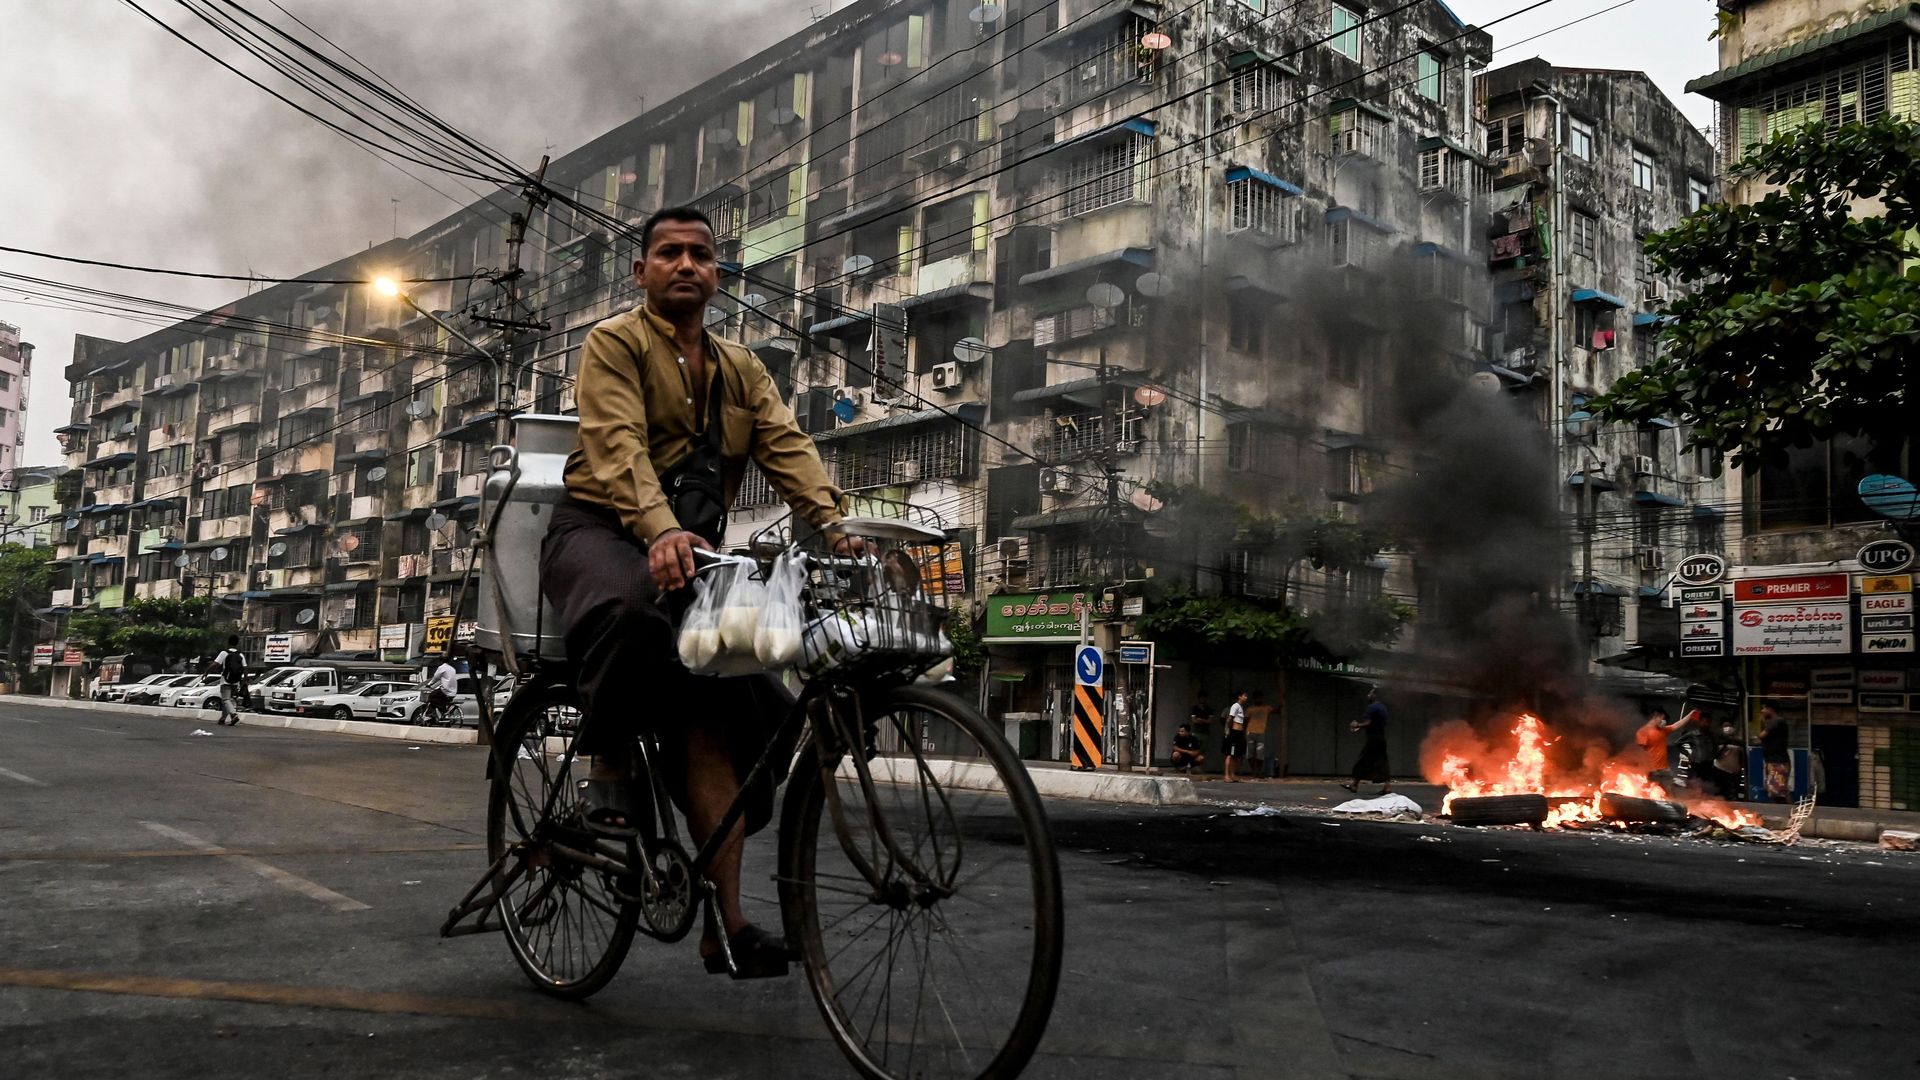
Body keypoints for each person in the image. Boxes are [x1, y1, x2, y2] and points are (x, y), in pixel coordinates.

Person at [541, 206, 848, 980]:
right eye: (668, 253)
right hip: (601, 529)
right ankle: (608, 759)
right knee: (633, 607)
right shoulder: (614, 343)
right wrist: (658, 528)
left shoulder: (741, 366)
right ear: (641, 271)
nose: (686, 265)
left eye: (701, 256)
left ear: (718, 275)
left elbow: (787, 445)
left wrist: (836, 526)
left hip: (694, 549)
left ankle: (728, 925)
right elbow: (616, 446)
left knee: (737, 708)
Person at [1343, 686, 1391, 794]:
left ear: (1375, 695)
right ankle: (1387, 787)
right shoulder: (1383, 708)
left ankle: (1354, 785)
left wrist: (1357, 724)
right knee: (1382, 762)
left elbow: (1369, 723)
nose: (1368, 695)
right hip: (1381, 738)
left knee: (1362, 760)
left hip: (1373, 739)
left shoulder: (1372, 708)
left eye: (1370, 693)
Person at [206, 635, 247, 727]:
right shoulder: (240, 655)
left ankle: (233, 715)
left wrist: (206, 672)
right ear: (237, 643)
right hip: (236, 681)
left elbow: (215, 664)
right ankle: (223, 718)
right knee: (227, 700)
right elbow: (245, 668)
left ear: (228, 642)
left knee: (226, 699)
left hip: (226, 680)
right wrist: (245, 680)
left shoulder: (224, 653)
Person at [1635, 707, 1682, 777]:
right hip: (1652, 770)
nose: (1664, 722)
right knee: (1652, 787)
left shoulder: (1663, 730)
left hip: (1664, 769)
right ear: (1655, 716)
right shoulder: (1643, 731)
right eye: (1662, 719)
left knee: (1670, 786)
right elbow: (1640, 752)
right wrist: (1646, 769)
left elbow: (1675, 725)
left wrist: (1690, 715)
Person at [1760, 705, 1792, 803]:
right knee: (1779, 791)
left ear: (1770, 709)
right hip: (1774, 761)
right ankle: (1793, 814)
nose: (1762, 711)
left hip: (1778, 762)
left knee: (1778, 792)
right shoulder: (1776, 722)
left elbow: (1762, 735)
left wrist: (1762, 721)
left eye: (1764, 708)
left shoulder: (1776, 721)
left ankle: (1789, 813)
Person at [1712, 718, 1745, 799]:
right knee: (1722, 792)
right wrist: (1724, 744)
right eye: (1725, 726)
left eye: (1729, 726)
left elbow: (1742, 755)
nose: (1728, 728)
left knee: (1734, 792)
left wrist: (1740, 768)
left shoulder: (1738, 741)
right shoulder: (1718, 739)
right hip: (1720, 770)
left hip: (1735, 772)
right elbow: (1715, 755)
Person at [1220, 691, 1249, 782]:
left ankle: (1233, 774)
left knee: (1236, 755)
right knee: (1230, 754)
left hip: (1239, 733)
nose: (1246, 697)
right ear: (1239, 696)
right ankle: (1226, 775)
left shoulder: (1241, 707)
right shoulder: (1235, 706)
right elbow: (1230, 719)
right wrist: (1229, 730)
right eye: (1244, 696)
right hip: (1234, 732)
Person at [426, 657, 459, 722]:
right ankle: (444, 714)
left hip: (446, 689)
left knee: (432, 696)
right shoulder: (452, 669)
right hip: (454, 690)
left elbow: (435, 678)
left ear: (441, 661)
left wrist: (429, 684)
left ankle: (441, 711)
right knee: (440, 698)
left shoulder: (442, 668)